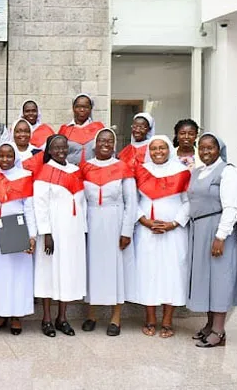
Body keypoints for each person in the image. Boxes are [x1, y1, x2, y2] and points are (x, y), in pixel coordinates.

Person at [186, 133, 237, 348]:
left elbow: (231, 207)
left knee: (219, 278)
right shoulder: (197, 172)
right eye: (201, 147)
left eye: (210, 147)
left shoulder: (227, 172)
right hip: (199, 228)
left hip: (217, 229)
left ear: (219, 149)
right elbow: (190, 201)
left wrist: (221, 236)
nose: (205, 151)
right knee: (206, 278)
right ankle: (209, 324)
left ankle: (219, 330)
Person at [133, 134, 191, 339]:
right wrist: (145, 221)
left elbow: (187, 202)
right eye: (154, 148)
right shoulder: (141, 171)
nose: (158, 152)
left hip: (173, 233)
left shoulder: (182, 171)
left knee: (172, 273)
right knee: (149, 272)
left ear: (169, 149)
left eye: (162, 148)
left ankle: (167, 320)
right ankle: (150, 318)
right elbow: (134, 201)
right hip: (146, 231)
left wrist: (173, 223)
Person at [81, 128, 136, 336]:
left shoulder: (123, 166)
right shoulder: (85, 167)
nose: (105, 144)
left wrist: (127, 230)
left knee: (115, 268)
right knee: (93, 267)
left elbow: (131, 202)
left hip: (115, 220)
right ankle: (91, 314)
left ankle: (116, 317)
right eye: (102, 140)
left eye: (110, 141)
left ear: (114, 144)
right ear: (95, 143)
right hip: (92, 221)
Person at [34, 134, 87, 337]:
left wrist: (82, 229)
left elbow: (82, 203)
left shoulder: (75, 171)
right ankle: (47, 318)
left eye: (63, 147)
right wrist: (46, 233)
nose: (60, 151)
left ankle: (62, 317)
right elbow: (40, 205)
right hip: (53, 232)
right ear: (49, 150)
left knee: (66, 272)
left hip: (72, 231)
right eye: (55, 148)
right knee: (49, 272)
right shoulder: (44, 172)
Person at [0, 143, 36, 335]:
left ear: (15, 157)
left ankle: (16, 316)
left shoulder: (24, 177)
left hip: (18, 227)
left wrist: (32, 235)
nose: (5, 160)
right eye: (2, 156)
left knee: (17, 274)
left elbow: (29, 208)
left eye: (9, 156)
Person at [58, 93, 105, 165]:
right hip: (70, 172)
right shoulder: (65, 130)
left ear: (91, 108)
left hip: (93, 171)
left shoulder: (99, 129)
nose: (82, 110)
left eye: (86, 107)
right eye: (78, 107)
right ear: (73, 108)